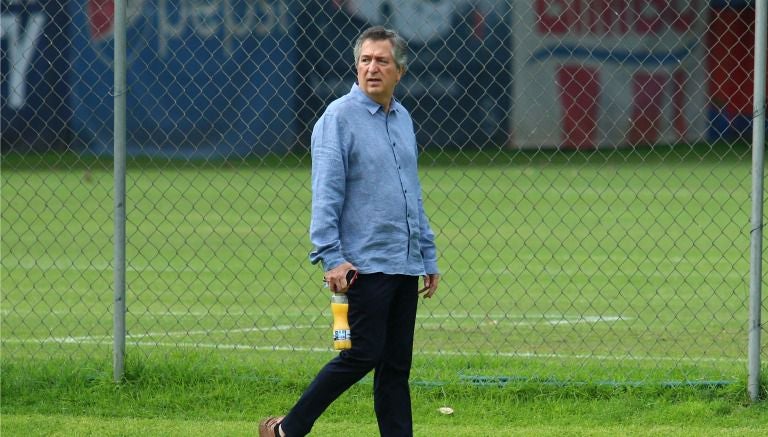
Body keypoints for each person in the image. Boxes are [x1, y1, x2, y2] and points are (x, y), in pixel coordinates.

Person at [259, 26, 440, 437]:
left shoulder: (403, 118)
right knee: (360, 355)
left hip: (404, 261)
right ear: (356, 66)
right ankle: (289, 428)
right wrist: (331, 256)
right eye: (365, 60)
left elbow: (413, 195)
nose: (372, 68)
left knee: (395, 367)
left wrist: (426, 257)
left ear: (400, 72)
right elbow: (326, 195)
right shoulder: (338, 119)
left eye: (382, 61)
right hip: (362, 264)